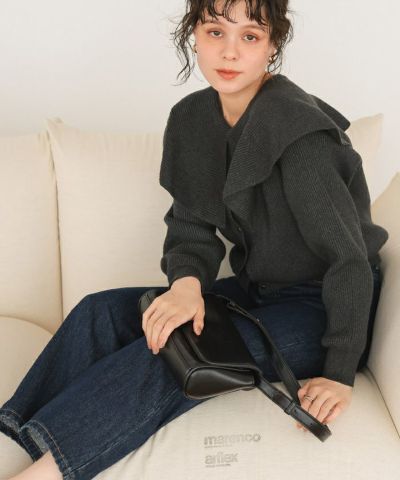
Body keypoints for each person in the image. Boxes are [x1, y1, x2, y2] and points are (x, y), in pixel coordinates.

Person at [0, 0, 388, 479]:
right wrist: (186, 286)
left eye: (250, 36)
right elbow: (191, 226)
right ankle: (12, 443)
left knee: (176, 354)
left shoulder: (300, 136)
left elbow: (349, 260)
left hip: (324, 306)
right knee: (99, 313)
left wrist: (340, 372)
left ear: (272, 45)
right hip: (256, 291)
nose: (229, 52)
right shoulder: (192, 119)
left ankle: (45, 472)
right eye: (215, 32)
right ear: (194, 36)